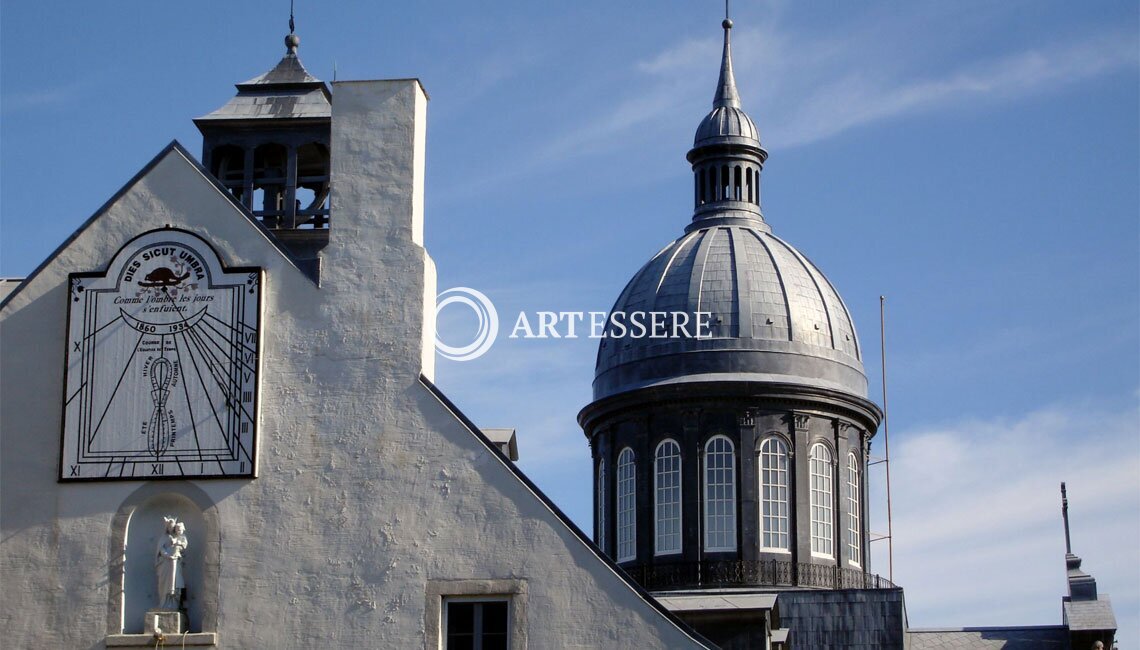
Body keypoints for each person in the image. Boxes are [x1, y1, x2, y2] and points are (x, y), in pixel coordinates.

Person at [155, 517, 188, 609]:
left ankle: (174, 605)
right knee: (164, 584)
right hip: (165, 564)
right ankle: (163, 604)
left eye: (173, 527)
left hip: (175, 563)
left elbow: (183, 548)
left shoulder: (179, 537)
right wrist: (167, 555)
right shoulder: (164, 538)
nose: (171, 529)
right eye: (169, 527)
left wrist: (177, 549)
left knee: (176, 582)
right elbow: (160, 550)